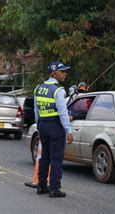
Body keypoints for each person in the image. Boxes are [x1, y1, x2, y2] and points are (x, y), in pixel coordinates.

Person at [34, 61, 73, 198]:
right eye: (62, 72)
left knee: (45, 156)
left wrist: (38, 124)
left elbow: (36, 110)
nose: (65, 74)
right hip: (55, 126)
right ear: (54, 73)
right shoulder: (58, 90)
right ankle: (54, 189)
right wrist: (69, 130)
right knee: (56, 158)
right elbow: (63, 113)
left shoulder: (38, 88)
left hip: (43, 125)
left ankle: (41, 186)